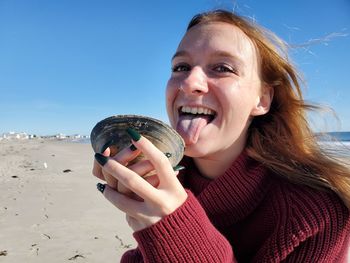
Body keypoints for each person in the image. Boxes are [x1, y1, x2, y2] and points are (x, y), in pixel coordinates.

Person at [92, 9, 350, 262]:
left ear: (261, 100)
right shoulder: (168, 182)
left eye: (222, 67)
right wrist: (143, 212)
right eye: (181, 66)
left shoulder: (317, 213)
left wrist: (174, 229)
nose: (189, 82)